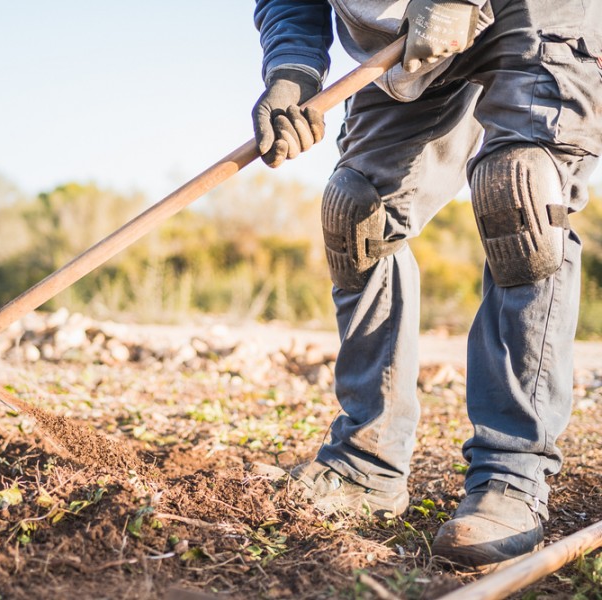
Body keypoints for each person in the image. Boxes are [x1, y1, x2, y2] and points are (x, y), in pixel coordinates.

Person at [252, 0, 602, 571]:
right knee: (357, 214)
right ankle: (366, 464)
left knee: (522, 195)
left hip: (532, 10)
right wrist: (292, 69)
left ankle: (511, 476)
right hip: (395, 43)